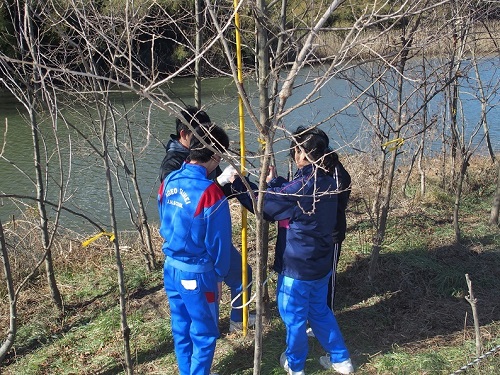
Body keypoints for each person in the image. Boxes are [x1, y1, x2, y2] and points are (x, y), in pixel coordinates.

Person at [229, 126, 354, 374]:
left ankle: (295, 365)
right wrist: (274, 181)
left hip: (297, 268)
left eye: (295, 150)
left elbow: (265, 204)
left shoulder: (302, 188)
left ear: (301, 153)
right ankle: (341, 360)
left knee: (293, 318)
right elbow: (288, 195)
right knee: (319, 311)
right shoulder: (328, 181)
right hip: (320, 263)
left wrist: (237, 185)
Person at [159, 106, 255, 332]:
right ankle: (207, 331)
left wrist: (243, 184)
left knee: (243, 274)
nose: (206, 139)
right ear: (184, 134)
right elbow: (183, 205)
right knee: (197, 316)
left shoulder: (206, 154)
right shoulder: (172, 165)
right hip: (193, 246)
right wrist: (219, 183)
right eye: (201, 133)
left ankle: (238, 320)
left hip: (204, 238)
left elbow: (220, 193)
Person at [157, 124, 231, 375]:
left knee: (180, 326)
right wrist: (219, 276)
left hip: (171, 268)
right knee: (204, 331)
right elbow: (219, 242)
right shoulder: (211, 193)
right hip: (197, 273)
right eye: (219, 156)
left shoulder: (169, 181)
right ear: (214, 156)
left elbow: (163, 215)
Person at [327, 152, 351, 312]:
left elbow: (335, 203)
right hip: (314, 235)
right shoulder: (308, 170)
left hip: (331, 234)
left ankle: (327, 312)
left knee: (329, 275)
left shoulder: (336, 172)